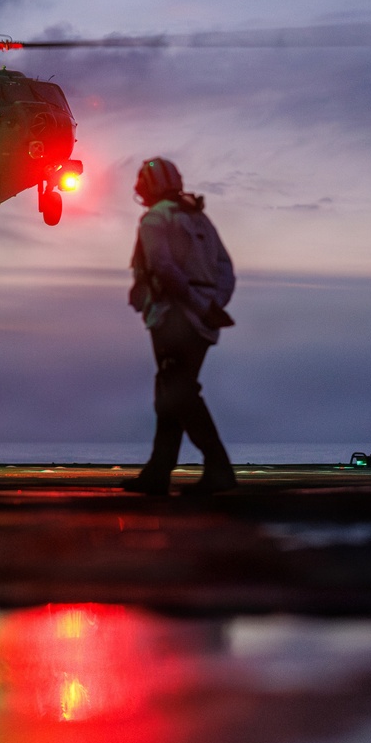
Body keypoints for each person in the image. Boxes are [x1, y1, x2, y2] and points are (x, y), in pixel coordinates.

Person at [127, 157, 237, 496]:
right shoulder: (200, 218)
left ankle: (218, 467)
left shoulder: (154, 219)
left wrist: (193, 301)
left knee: (179, 391)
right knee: (171, 391)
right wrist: (212, 303)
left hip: (171, 316)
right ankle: (158, 471)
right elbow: (226, 269)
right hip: (203, 318)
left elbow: (161, 265)